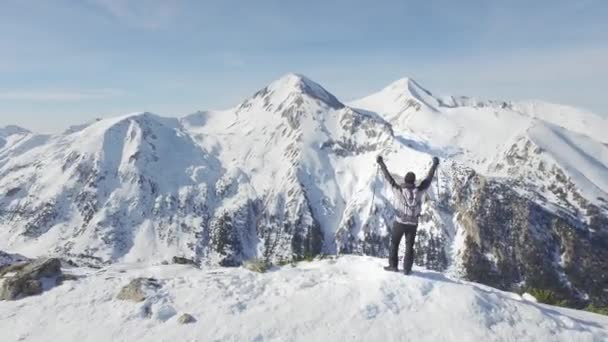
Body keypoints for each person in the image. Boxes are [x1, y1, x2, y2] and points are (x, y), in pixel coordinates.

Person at [376, 155, 439, 275]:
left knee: (394, 243)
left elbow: (388, 177)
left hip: (400, 222)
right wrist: (434, 165)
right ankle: (407, 269)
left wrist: (381, 163)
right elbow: (428, 179)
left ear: (405, 180)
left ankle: (393, 266)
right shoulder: (419, 191)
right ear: (414, 181)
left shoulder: (398, 190)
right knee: (409, 246)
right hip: (413, 224)